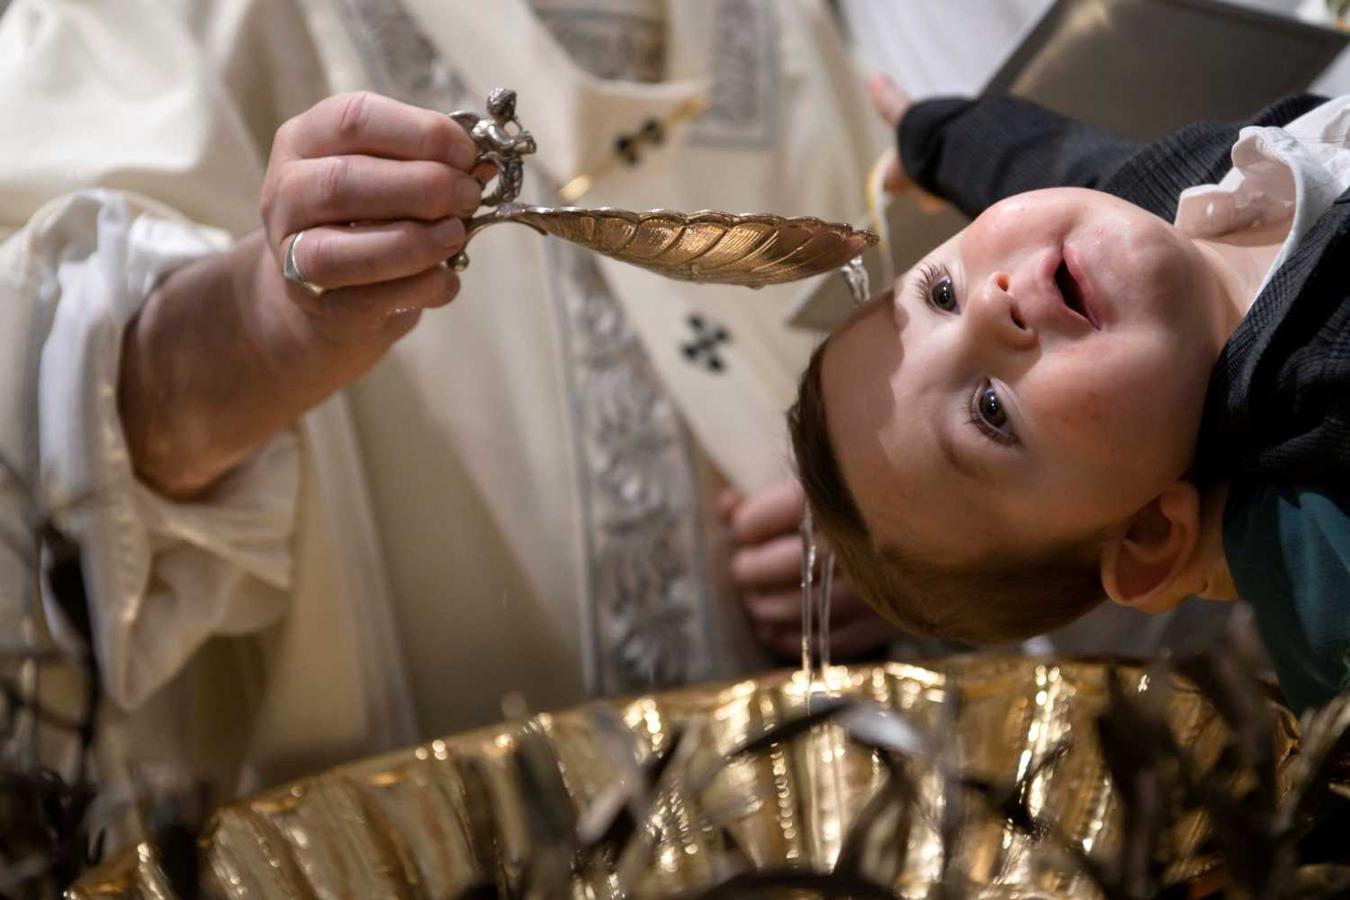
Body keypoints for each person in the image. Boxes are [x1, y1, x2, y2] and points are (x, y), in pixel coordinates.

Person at [0, 0, 893, 805]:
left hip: (785, 818)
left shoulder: (784, 28)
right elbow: (48, 416)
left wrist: (894, 543)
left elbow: (904, 354)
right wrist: (264, 326)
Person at [792, 76, 1350, 714]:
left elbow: (1034, 158)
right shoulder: (1320, 398)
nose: (987, 306)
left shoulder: (1136, 201)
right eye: (991, 410)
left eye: (941, 293)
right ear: (1148, 533)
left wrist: (931, 137)